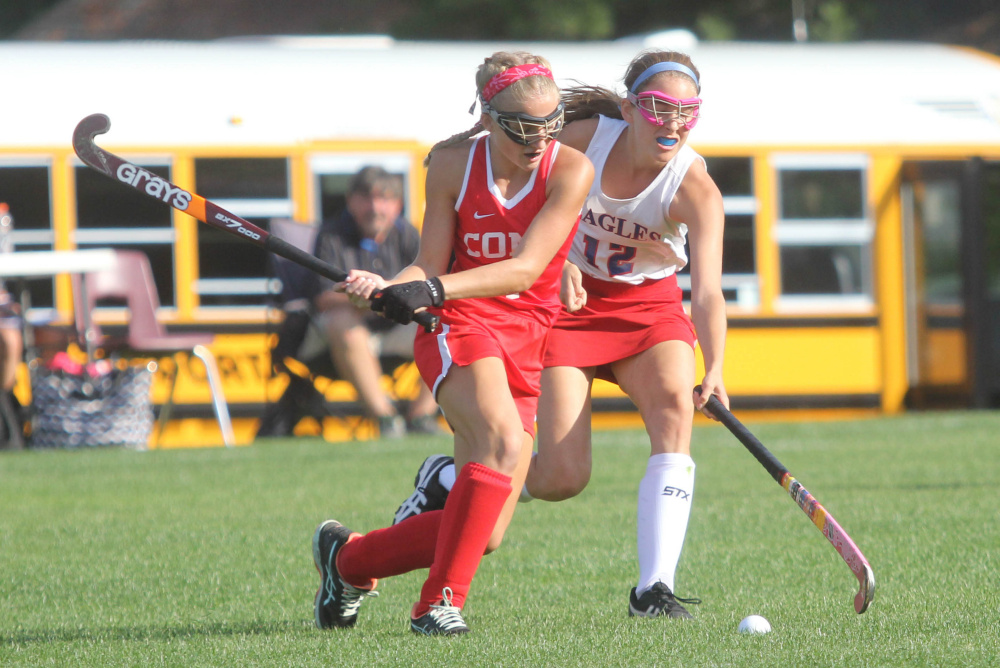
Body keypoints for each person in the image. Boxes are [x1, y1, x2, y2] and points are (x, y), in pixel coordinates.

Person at [392, 49, 730, 620]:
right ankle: (450, 478)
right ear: (629, 108)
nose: (671, 121)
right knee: (558, 479)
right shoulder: (577, 140)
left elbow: (707, 293)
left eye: (686, 111)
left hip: (648, 309)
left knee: (675, 404)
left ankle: (654, 589)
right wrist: (559, 262)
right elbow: (520, 201)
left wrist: (716, 367)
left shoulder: (694, 186)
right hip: (559, 308)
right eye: (656, 107)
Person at [311, 51, 593, 635]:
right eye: (522, 126)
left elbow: (526, 268)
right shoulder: (448, 164)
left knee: (482, 534)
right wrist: (389, 286)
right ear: (487, 115)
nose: (538, 138)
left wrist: (428, 285)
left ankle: (348, 561)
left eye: (550, 123)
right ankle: (438, 605)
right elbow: (427, 260)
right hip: (459, 324)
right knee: (499, 441)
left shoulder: (571, 169)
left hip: (527, 336)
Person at [312, 166, 440, 437]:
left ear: (398, 204)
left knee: (449, 321)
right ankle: (386, 419)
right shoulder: (331, 234)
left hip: (397, 325)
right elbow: (322, 297)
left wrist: (387, 298)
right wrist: (366, 300)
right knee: (341, 322)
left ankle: (421, 417)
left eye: (385, 198)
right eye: (367, 198)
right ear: (351, 202)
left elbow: (427, 285)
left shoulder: (408, 234)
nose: (376, 207)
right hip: (345, 335)